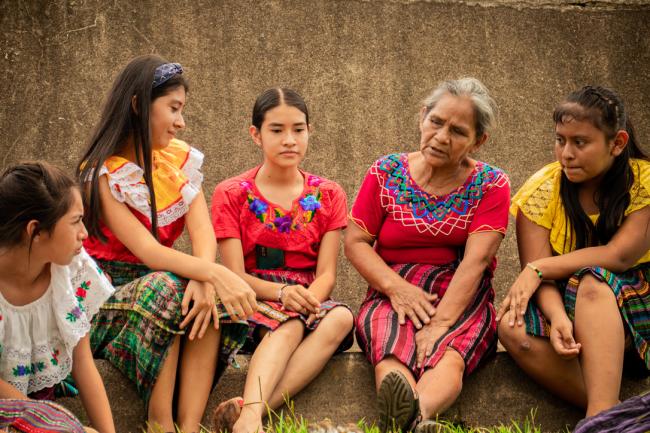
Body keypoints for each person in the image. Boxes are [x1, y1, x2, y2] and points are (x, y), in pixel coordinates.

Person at [76, 55, 257, 433]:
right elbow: (149, 252)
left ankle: (189, 425)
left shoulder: (175, 162)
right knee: (168, 287)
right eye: (173, 109)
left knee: (200, 296)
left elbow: (202, 234)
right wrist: (212, 273)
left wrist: (205, 280)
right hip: (104, 297)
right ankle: (160, 424)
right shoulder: (102, 174)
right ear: (139, 105)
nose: (181, 121)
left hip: (167, 280)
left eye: (182, 110)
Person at [345, 78, 510, 433]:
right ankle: (413, 422)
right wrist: (396, 288)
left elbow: (476, 262)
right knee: (389, 342)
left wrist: (438, 326)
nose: (441, 137)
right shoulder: (386, 172)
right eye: (436, 121)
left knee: (449, 354)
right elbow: (356, 241)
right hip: (393, 286)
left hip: (460, 291)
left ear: (478, 141)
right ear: (423, 116)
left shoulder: (492, 185)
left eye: (458, 131)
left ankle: (410, 418)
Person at [497, 85, 650, 419]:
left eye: (580, 143)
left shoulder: (643, 181)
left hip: (636, 304)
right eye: (560, 140)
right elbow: (540, 277)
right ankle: (617, 415)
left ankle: (599, 416)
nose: (566, 153)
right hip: (569, 303)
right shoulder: (542, 190)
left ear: (617, 143)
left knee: (595, 284)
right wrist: (557, 317)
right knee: (510, 326)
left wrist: (539, 269)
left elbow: (619, 256)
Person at [211, 88, 354, 433]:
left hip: (307, 297)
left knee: (342, 319)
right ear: (255, 135)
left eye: (299, 129)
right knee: (289, 322)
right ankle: (250, 422)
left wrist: (307, 299)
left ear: (309, 131)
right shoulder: (231, 193)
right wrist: (282, 294)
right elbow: (234, 275)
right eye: (276, 130)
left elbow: (327, 274)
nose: (289, 140)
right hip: (251, 297)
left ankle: (250, 415)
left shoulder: (329, 194)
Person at [0, 161, 115, 433]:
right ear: (35, 231)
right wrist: (50, 422)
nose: (84, 234)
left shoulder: (71, 271)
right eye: (75, 221)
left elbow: (84, 363)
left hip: (38, 416)